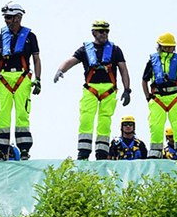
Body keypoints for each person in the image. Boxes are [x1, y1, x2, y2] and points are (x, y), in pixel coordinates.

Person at [54, 20, 131, 160]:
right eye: (101, 31)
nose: (104, 34)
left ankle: (102, 152)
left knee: (105, 121)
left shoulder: (115, 50)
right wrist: (60, 70)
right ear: (94, 32)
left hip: (109, 90)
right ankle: (83, 151)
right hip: (91, 89)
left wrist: (127, 90)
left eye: (107, 31)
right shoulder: (85, 49)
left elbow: (123, 69)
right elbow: (71, 60)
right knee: (86, 118)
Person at [0, 1, 42, 161]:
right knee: (2, 114)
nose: (6, 20)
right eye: (5, 17)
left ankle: (24, 148)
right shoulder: (0, 37)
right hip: (4, 79)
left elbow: (36, 59)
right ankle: (0, 149)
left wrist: (38, 79)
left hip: (22, 77)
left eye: (9, 17)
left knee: (22, 114)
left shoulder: (30, 37)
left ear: (18, 17)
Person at [141, 32, 177, 159]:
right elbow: (144, 80)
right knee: (156, 125)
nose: (169, 49)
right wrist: (148, 97)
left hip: (176, 97)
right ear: (160, 46)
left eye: (171, 46)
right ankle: (155, 153)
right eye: (166, 46)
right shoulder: (152, 61)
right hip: (157, 98)